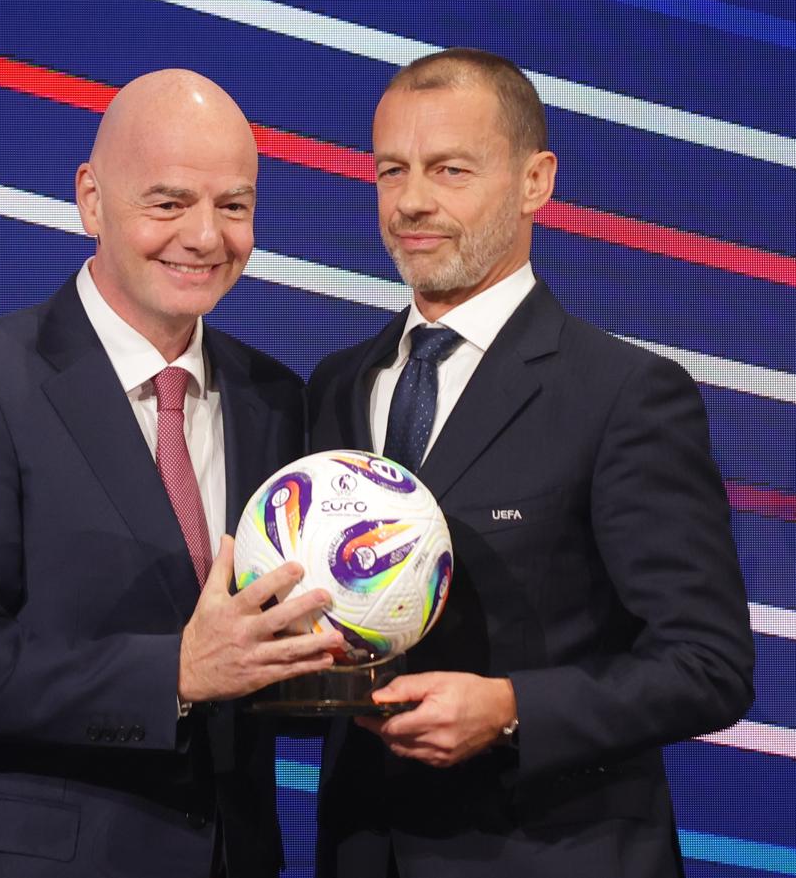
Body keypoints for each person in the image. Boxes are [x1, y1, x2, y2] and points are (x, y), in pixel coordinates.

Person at [0, 70, 343, 877]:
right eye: (168, 202)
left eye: (233, 205)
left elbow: (259, 672)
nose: (204, 236)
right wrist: (176, 673)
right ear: (91, 198)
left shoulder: (277, 400)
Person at [307, 49, 754, 877]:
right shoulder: (340, 385)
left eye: (450, 169)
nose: (412, 201)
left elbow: (708, 665)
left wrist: (512, 708)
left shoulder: (624, 393)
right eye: (390, 170)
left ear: (535, 180)